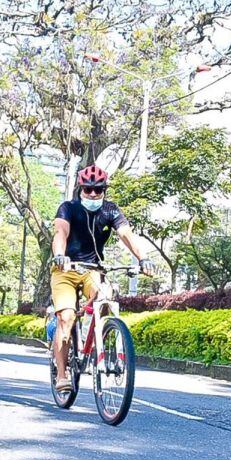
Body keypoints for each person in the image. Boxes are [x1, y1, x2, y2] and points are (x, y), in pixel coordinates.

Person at [50, 164, 155, 392]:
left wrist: (143, 258)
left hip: (92, 270)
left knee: (106, 298)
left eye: (99, 190)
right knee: (66, 319)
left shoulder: (110, 210)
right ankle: (61, 373)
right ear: (81, 189)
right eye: (89, 189)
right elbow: (60, 233)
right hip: (65, 270)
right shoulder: (68, 208)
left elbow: (126, 234)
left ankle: (100, 341)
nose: (94, 194)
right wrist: (59, 255)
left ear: (104, 190)